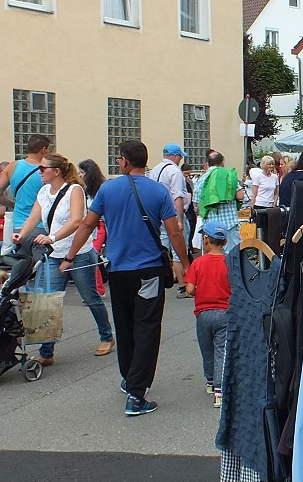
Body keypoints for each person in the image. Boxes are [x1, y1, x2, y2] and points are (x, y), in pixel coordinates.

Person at [64, 140, 189, 417]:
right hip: (149, 271)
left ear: (123, 161)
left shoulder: (108, 189)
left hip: (118, 269)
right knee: (147, 327)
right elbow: (174, 232)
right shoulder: (158, 191)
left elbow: (87, 224)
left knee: (125, 325)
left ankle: (129, 378)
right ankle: (136, 392)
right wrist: (185, 263)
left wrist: (69, 256)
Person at [14, 153, 115, 363]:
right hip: (53, 254)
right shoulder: (43, 192)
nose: (39, 172)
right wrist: (21, 234)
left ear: (56, 171)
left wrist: (51, 237)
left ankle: (106, 336)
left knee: (90, 297)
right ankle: (46, 351)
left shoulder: (74, 190)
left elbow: (78, 221)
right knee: (48, 300)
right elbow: (34, 217)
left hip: (78, 253)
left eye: (42, 169)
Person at [184, 221, 232, 403]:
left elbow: (189, 289)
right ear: (225, 242)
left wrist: (201, 290)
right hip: (224, 312)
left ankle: (210, 381)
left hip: (203, 313)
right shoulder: (230, 263)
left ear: (205, 240)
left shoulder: (198, 263)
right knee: (221, 350)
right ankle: (220, 391)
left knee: (207, 350)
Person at [0, 135, 51, 243]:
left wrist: (14, 204)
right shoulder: (47, 171)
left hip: (18, 224)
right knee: (41, 259)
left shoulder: (12, 167)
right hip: (41, 224)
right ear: (43, 150)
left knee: (22, 259)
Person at [150, 143, 189, 298]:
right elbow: (178, 196)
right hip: (172, 213)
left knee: (162, 249)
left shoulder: (155, 170)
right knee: (179, 249)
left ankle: (158, 282)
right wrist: (179, 219)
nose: (180, 159)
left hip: (158, 214)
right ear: (175, 156)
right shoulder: (175, 171)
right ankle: (183, 286)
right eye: (179, 156)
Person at [78, 159, 109, 295]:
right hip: (90, 226)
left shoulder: (102, 188)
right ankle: (95, 288)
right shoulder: (83, 189)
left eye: (82, 172)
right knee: (91, 257)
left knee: (92, 257)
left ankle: (98, 289)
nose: (79, 175)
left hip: (99, 226)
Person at [197, 150, 242, 239]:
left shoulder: (201, 179)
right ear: (222, 163)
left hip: (210, 227)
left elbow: (198, 205)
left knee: (213, 252)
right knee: (231, 252)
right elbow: (240, 196)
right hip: (229, 225)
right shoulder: (229, 175)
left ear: (208, 164)